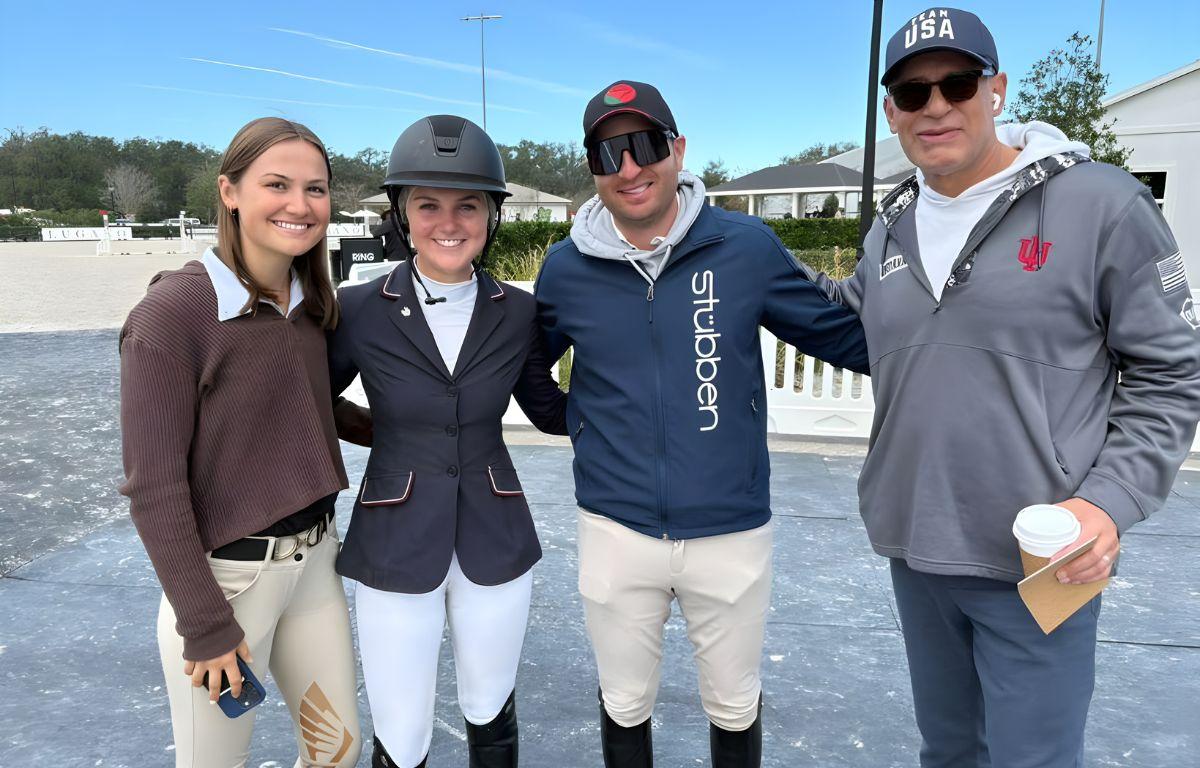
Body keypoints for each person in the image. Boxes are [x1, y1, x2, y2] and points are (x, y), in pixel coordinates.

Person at [814, 8, 1200, 766]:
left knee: (1034, 758)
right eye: (912, 92)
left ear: (996, 89)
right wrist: (735, 256)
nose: (936, 106)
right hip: (917, 547)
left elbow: (1172, 370)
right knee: (950, 750)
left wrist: (1106, 503)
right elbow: (862, 331)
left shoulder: (1102, 203)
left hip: (1039, 554)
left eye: (956, 83)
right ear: (890, 109)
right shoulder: (890, 226)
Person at [534, 81, 869, 767]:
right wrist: (581, 427)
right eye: (609, 152)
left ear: (678, 149)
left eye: (645, 145)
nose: (629, 167)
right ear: (592, 167)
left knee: (734, 703)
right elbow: (522, 366)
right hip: (614, 526)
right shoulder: (565, 269)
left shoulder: (745, 247)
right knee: (624, 703)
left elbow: (849, 339)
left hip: (732, 529)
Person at [119, 117, 363, 767]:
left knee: (336, 751)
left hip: (313, 566)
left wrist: (427, 428)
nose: (299, 204)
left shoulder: (309, 299)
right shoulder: (170, 317)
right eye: (276, 184)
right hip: (226, 584)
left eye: (316, 189)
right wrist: (204, 625)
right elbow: (154, 487)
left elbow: (303, 405)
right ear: (230, 192)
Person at [327, 115, 568, 768]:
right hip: (394, 539)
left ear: (491, 217)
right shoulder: (357, 308)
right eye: (427, 205)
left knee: (489, 706)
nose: (449, 222)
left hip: (496, 536)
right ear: (403, 214)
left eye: (468, 205)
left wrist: (642, 403)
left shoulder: (518, 312)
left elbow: (549, 411)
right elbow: (314, 400)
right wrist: (381, 436)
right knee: (402, 733)